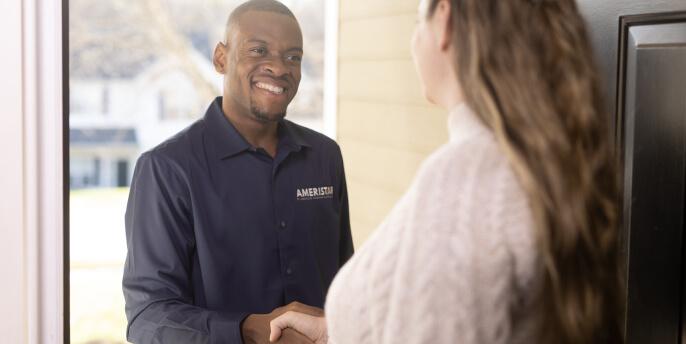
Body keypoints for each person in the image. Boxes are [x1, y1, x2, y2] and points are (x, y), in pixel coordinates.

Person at [269, 0, 623, 343]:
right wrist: (338, 332)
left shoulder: (466, 183)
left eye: (418, 20)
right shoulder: (534, 166)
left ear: (445, 19)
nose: (413, 39)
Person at [122, 1, 353, 343]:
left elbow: (345, 282)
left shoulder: (324, 157)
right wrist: (249, 329)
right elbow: (148, 318)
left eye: (293, 56)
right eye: (258, 50)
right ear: (220, 58)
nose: (278, 67)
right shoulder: (167, 169)